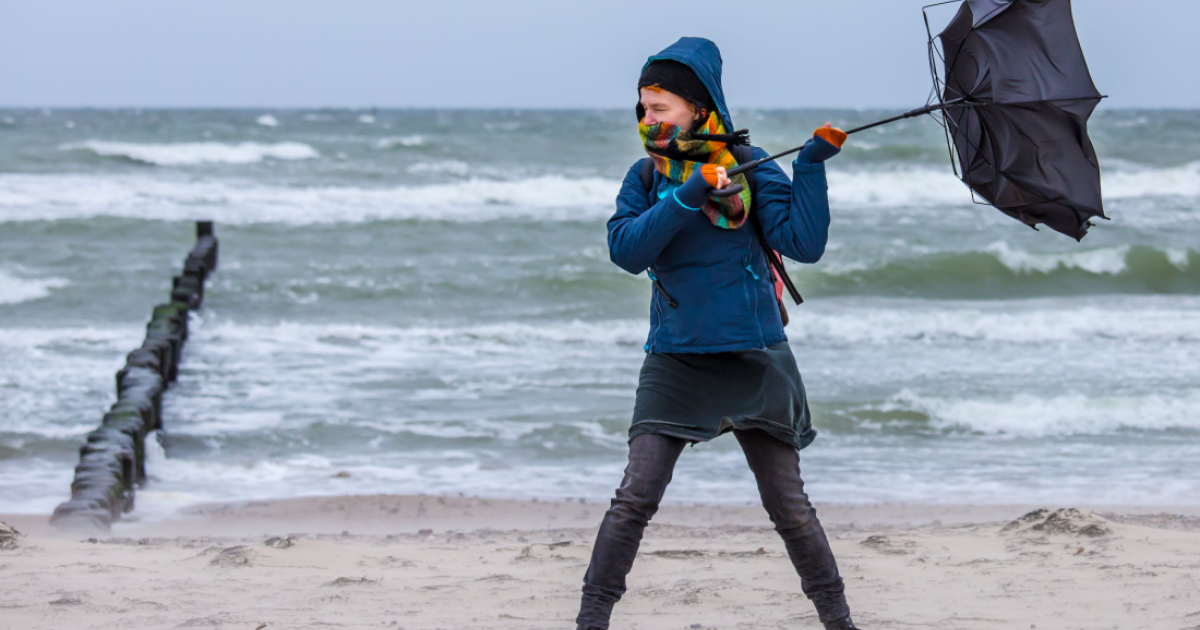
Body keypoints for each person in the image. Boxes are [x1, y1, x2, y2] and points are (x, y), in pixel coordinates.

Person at [575, 38, 859, 630]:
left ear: (699, 110)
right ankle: (589, 621)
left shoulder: (752, 166)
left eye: (660, 108)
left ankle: (840, 622)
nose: (647, 119)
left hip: (756, 356)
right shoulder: (648, 177)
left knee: (789, 508)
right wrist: (687, 193)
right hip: (677, 359)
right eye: (643, 107)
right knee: (633, 501)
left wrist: (809, 168)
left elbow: (804, 244)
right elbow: (627, 251)